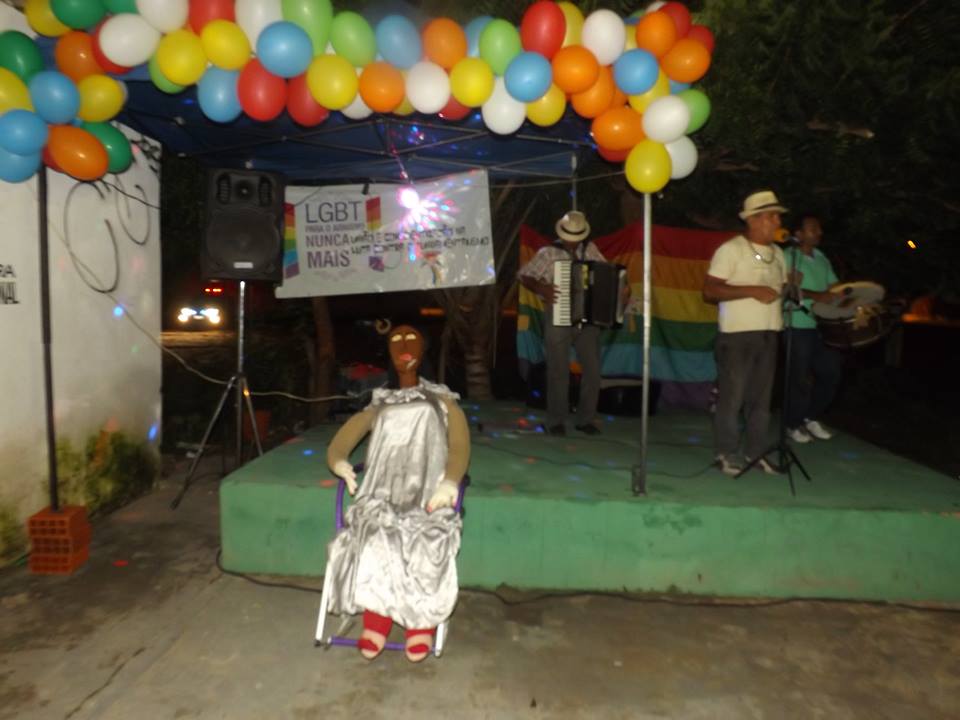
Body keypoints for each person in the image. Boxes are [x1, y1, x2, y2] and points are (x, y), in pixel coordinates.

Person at [324, 325, 470, 662]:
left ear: (424, 349)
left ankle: (421, 625)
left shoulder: (441, 398)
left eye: (411, 340)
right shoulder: (381, 401)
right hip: (382, 494)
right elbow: (345, 438)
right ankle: (377, 621)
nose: (404, 346)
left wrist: (450, 482)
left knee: (426, 542)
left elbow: (460, 444)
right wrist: (339, 462)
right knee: (376, 539)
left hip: (429, 493)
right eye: (396, 342)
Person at [703, 191, 789, 476]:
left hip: (770, 333)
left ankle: (755, 453)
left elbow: (780, 289)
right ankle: (725, 453)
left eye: (778, 217)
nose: (777, 222)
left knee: (761, 401)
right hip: (737, 335)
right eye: (772, 216)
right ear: (753, 220)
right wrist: (751, 290)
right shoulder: (731, 250)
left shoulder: (779, 255)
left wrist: (790, 289)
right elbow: (709, 290)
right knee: (733, 398)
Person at [518, 210, 608, 436]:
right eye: (569, 236)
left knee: (593, 370)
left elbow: (607, 274)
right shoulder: (548, 252)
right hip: (558, 314)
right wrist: (542, 288)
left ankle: (585, 419)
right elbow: (524, 276)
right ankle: (556, 421)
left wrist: (619, 289)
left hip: (588, 317)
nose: (572, 241)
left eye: (576, 236)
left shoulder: (590, 250)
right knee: (558, 370)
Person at [782, 214, 843, 443]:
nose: (819, 232)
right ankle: (792, 424)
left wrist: (849, 298)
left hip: (822, 326)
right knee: (799, 378)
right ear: (798, 234)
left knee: (830, 372)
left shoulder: (821, 257)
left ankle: (809, 416)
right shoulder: (789, 256)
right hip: (797, 323)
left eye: (819, 228)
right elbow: (787, 289)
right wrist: (818, 296)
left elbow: (834, 287)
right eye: (813, 229)